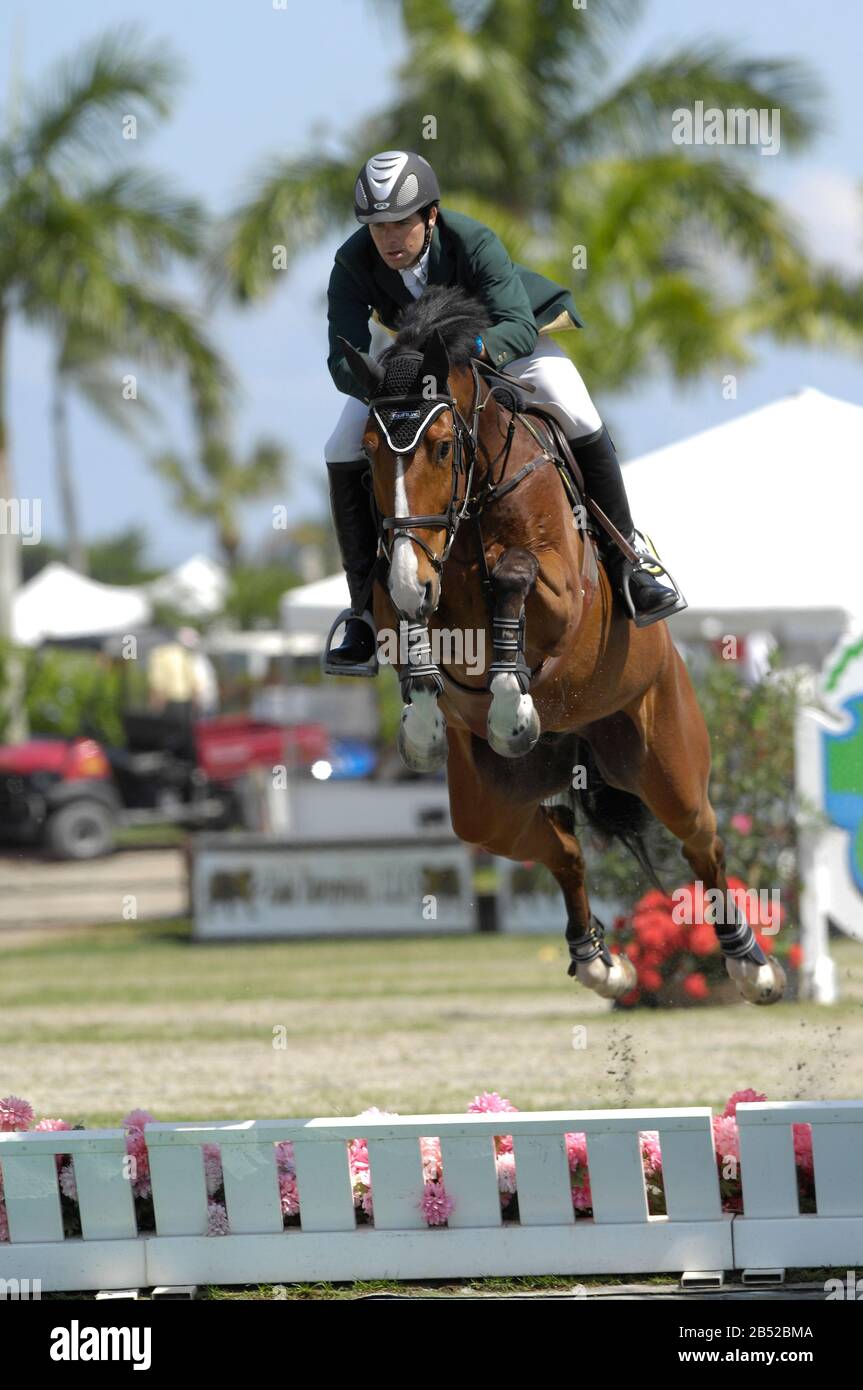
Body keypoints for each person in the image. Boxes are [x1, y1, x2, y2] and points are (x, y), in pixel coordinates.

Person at [324, 149, 685, 674]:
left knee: (574, 406)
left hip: (501, 342)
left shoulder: (473, 240)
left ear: (430, 215)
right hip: (413, 361)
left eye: (402, 222)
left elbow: (516, 324)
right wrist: (385, 380)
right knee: (339, 446)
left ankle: (629, 561)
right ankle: (361, 611)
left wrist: (459, 358)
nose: (389, 238)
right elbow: (340, 357)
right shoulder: (351, 262)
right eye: (377, 227)